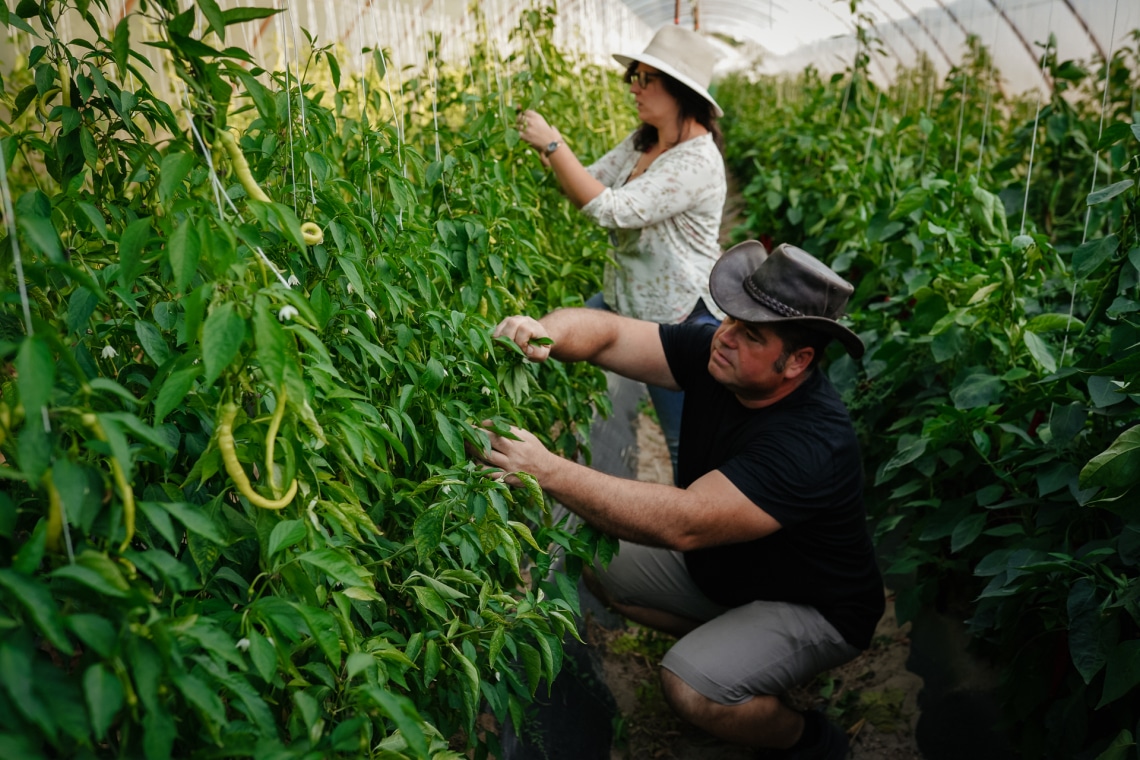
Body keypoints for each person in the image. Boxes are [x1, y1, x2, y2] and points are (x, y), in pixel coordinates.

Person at [483, 241, 885, 759]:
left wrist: (549, 470)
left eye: (752, 334)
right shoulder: (719, 356)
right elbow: (608, 336)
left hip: (814, 607)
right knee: (595, 557)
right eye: (731, 318)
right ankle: (738, 652)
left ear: (797, 361)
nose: (726, 336)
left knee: (690, 686)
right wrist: (546, 332)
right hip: (732, 572)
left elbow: (686, 524)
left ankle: (811, 740)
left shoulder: (810, 442)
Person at [515, 23, 728, 481]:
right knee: (543, 347)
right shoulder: (645, 140)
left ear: (679, 91)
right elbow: (589, 179)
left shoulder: (696, 161)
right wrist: (549, 153)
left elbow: (611, 209)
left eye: (646, 78)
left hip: (676, 318)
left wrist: (554, 144)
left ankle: (695, 530)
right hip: (626, 297)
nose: (634, 85)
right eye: (634, 74)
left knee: (681, 438)